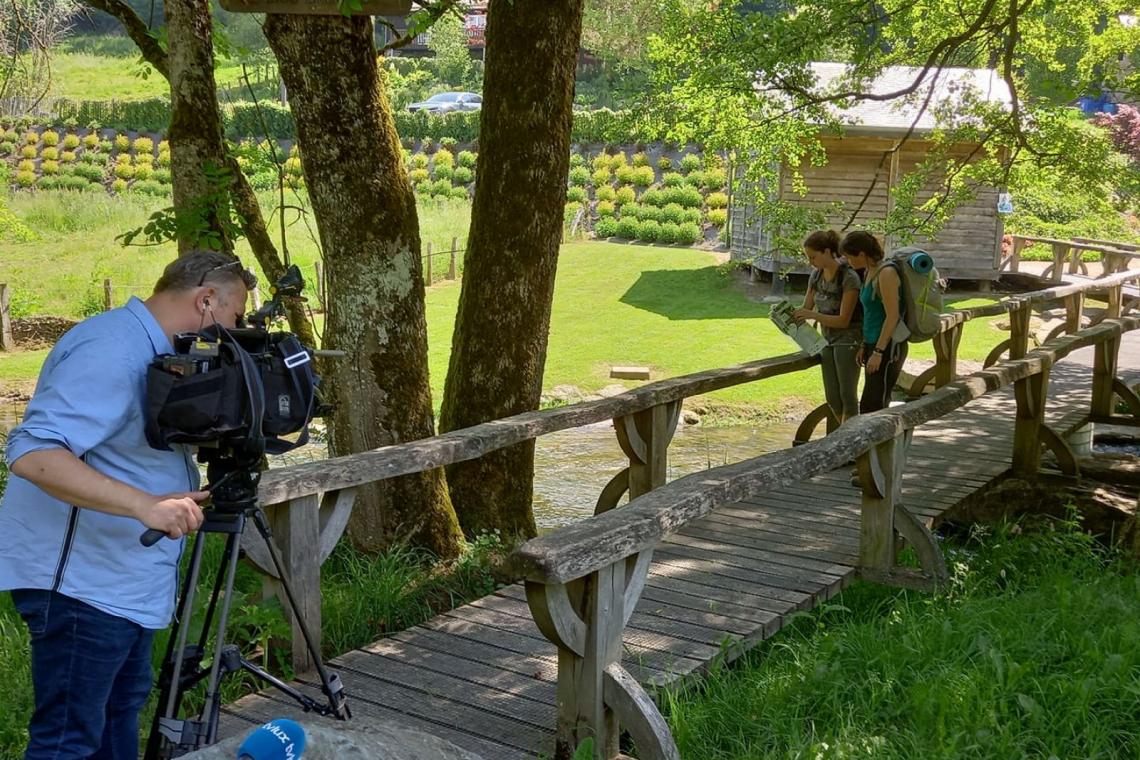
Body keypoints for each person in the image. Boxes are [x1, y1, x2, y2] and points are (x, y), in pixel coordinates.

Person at [0, 250, 256, 759]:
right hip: (79, 583)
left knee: (118, 719)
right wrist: (144, 504)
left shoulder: (153, 348)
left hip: (121, 579)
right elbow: (33, 452)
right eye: (233, 316)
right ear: (206, 300)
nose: (234, 331)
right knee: (69, 741)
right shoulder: (110, 348)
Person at [793, 230, 863, 425]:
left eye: (813, 257)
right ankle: (843, 435)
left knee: (847, 395)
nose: (811, 262)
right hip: (825, 339)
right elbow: (806, 307)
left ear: (827, 251)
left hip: (848, 339)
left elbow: (844, 320)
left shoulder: (849, 278)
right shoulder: (815, 276)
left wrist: (813, 315)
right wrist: (788, 316)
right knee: (832, 396)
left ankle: (849, 442)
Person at [839, 230, 908, 415]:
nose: (847, 261)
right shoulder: (869, 271)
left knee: (875, 403)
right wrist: (865, 345)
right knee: (869, 403)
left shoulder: (886, 273)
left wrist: (878, 351)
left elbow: (892, 316)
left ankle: (882, 444)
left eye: (849, 256)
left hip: (888, 347)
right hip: (872, 343)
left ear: (861, 254)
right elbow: (871, 313)